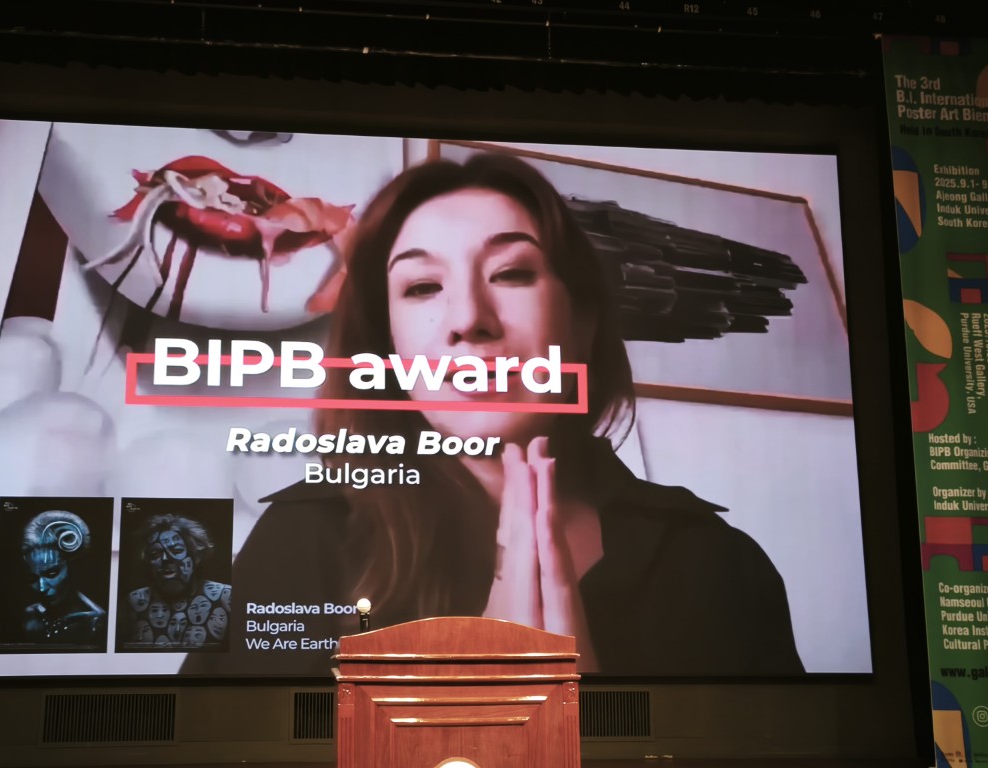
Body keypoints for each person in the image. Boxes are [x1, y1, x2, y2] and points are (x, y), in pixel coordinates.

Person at [183, 152, 803, 677]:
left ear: (582, 323)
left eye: (511, 273)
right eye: (423, 287)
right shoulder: (302, 541)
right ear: (387, 350)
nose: (467, 319)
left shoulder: (718, 565)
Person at [118, 514, 231, 650]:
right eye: (155, 554)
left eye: (177, 550)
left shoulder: (225, 597)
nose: (166, 559)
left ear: (196, 555)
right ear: (147, 561)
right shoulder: (133, 602)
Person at [15, 510, 106, 647]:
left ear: (72, 567)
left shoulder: (95, 622)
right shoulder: (30, 615)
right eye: (32, 578)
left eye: (52, 574)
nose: (42, 588)